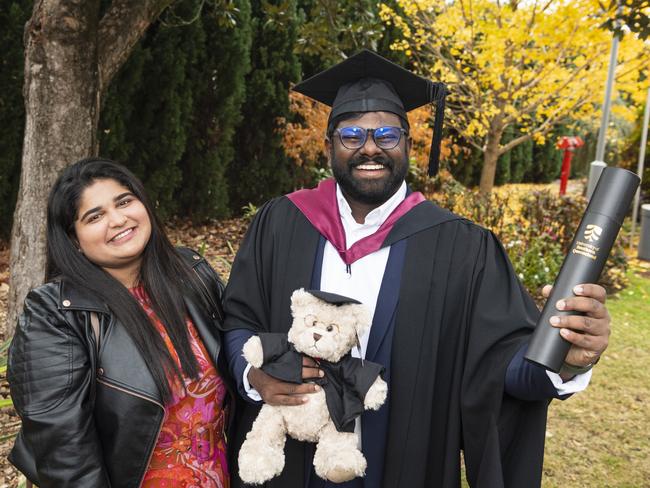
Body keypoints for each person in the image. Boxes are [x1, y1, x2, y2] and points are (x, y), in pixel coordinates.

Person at [221, 50, 611, 488]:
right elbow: (240, 322)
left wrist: (568, 361)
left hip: (403, 466)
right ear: (329, 145)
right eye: (352, 134)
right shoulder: (281, 223)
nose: (370, 147)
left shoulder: (462, 246)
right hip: (291, 465)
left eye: (387, 134)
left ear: (409, 143)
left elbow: (500, 367)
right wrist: (252, 375)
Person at [8, 158, 233, 488]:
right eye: (94, 216)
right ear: (74, 240)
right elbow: (64, 454)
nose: (118, 220)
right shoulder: (56, 313)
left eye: (124, 201)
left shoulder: (191, 275)